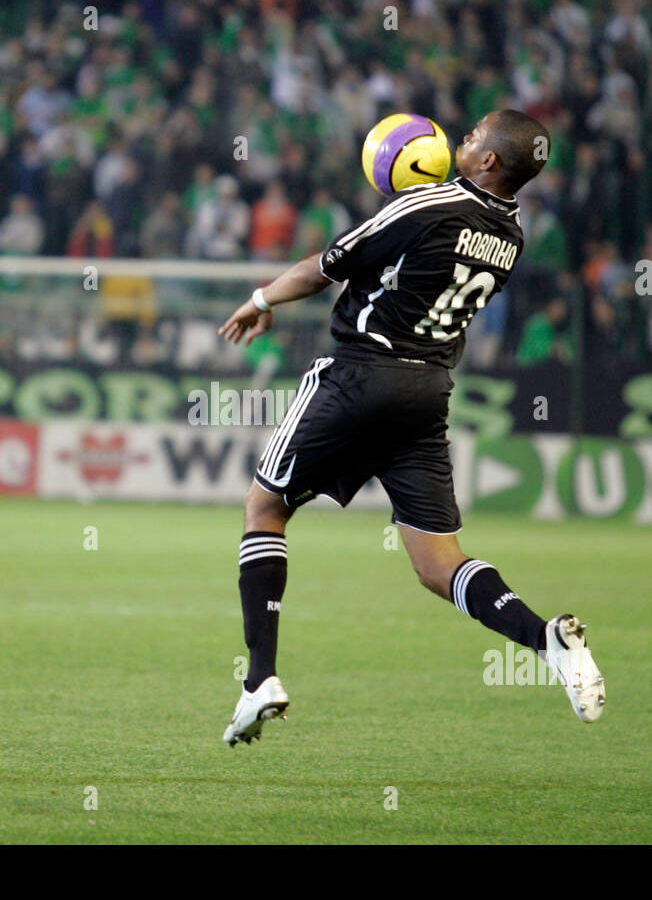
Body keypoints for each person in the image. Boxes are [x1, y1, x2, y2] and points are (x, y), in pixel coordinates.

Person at [216, 110, 605, 746]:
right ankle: (546, 640)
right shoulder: (510, 237)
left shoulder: (426, 203)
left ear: (486, 163)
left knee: (264, 507)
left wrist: (261, 300)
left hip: (360, 375)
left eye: (474, 135)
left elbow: (326, 266)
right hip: (426, 395)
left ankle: (260, 678)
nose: (461, 139)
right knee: (436, 564)